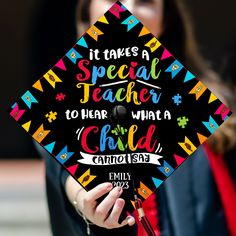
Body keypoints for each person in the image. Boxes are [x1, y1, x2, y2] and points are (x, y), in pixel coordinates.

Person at [37, 0, 236, 235]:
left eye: (145, 1)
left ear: (166, 19)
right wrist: (85, 200)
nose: (128, 11)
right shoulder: (63, 103)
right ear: (87, 12)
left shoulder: (209, 102)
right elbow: (64, 170)